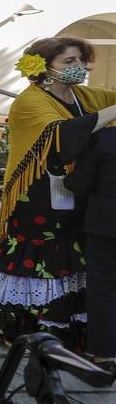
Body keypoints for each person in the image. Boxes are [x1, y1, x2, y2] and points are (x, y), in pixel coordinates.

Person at [0, 37, 116, 346]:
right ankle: (20, 328)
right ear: (45, 68)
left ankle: (64, 326)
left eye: (81, 60)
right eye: (69, 62)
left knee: (69, 254)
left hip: (74, 189)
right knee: (40, 255)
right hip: (37, 193)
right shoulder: (29, 101)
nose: (79, 67)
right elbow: (59, 134)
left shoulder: (82, 96)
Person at [64, 125, 116, 369]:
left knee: (103, 289)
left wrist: (68, 176)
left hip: (106, 226)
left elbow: (80, 183)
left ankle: (104, 356)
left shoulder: (104, 140)